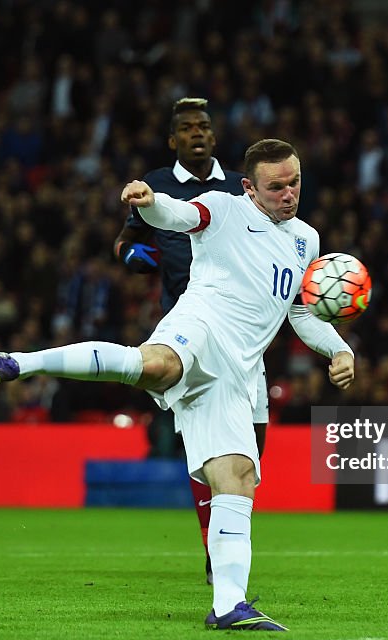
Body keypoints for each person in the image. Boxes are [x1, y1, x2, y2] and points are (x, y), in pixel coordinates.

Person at [0, 139, 355, 631]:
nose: (288, 193)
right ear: (249, 188)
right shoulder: (223, 208)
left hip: (237, 371)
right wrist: (150, 203)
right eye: (276, 186)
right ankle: (21, 363)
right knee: (157, 365)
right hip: (200, 324)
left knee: (236, 478)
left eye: (294, 182)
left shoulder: (307, 240)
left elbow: (301, 312)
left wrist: (339, 349)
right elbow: (179, 215)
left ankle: (228, 607)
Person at [113, 97, 250, 585]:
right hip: (187, 327)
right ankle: (217, 549)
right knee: (203, 441)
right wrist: (140, 257)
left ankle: (224, 537)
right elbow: (125, 243)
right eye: (187, 128)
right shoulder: (156, 184)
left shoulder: (239, 188)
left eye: (205, 127)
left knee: (250, 448)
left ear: (214, 136)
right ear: (173, 140)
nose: (197, 134)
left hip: (241, 331)